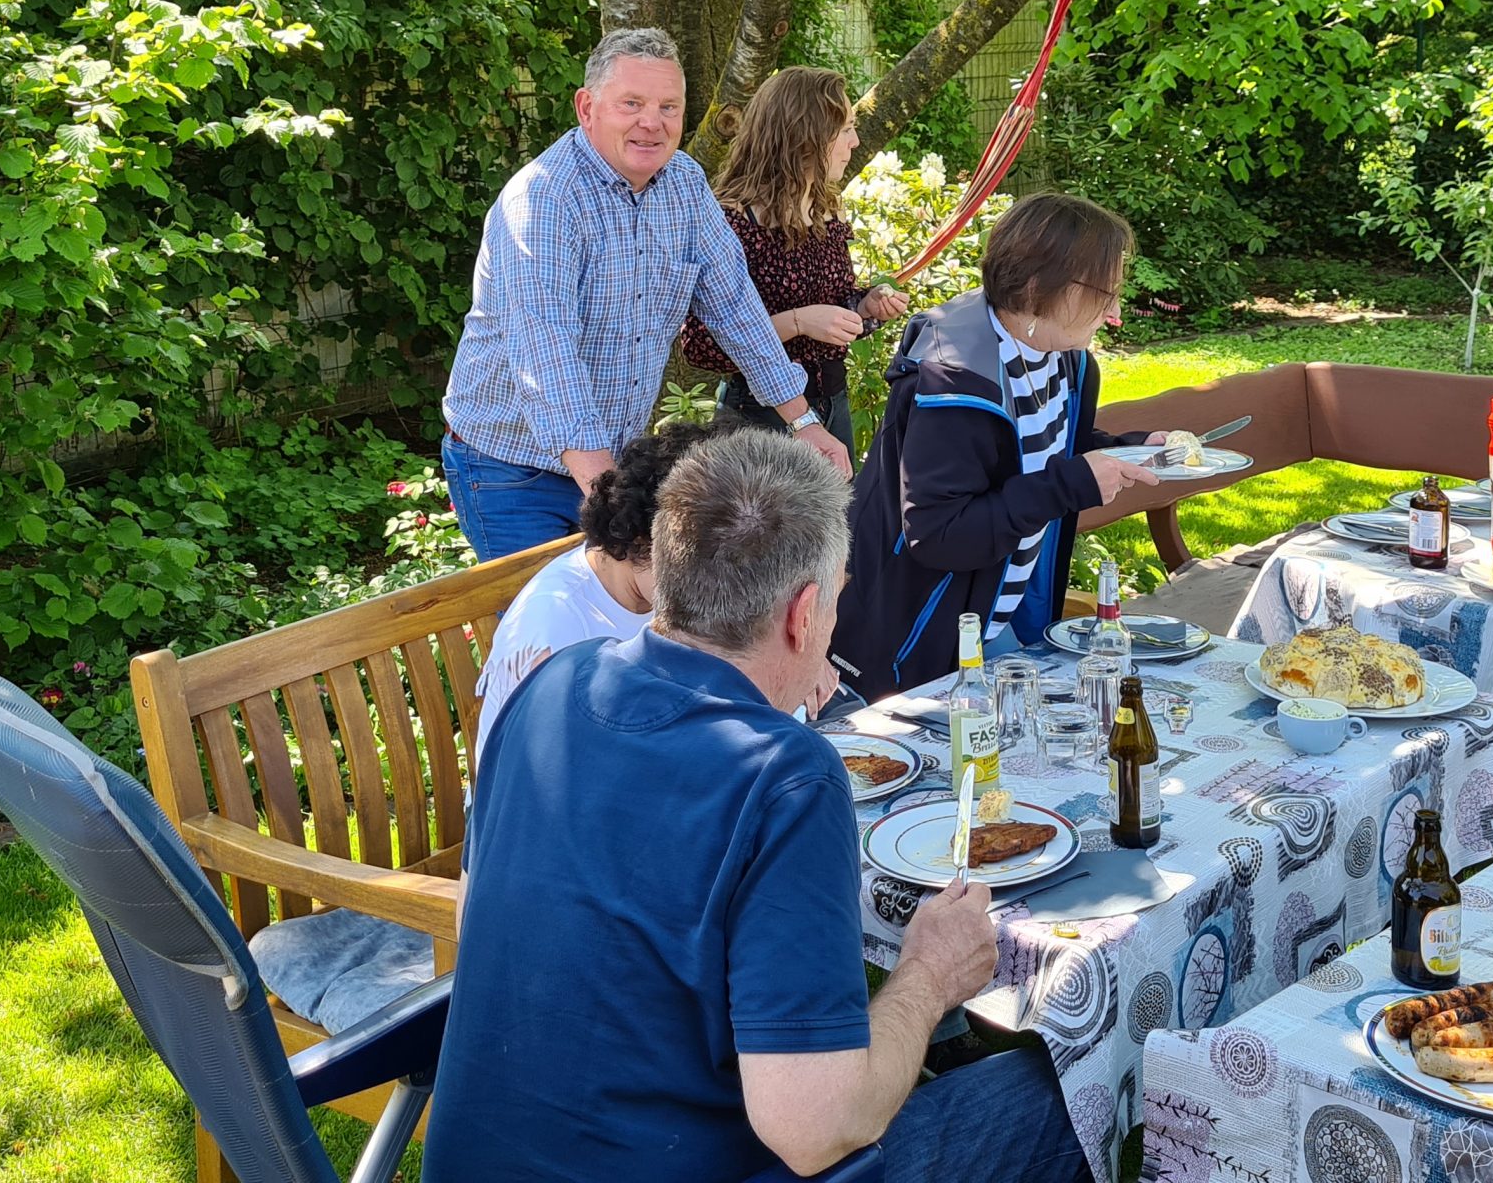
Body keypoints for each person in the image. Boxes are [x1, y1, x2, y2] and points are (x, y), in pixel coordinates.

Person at [424, 429, 1088, 1183]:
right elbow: (816, 1130)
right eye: (840, 593)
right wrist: (931, 976)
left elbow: (478, 921)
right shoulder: (786, 778)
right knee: (1060, 1089)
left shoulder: (553, 682)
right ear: (804, 614)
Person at [440, 27, 851, 560]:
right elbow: (548, 357)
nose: (651, 123)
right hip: (511, 471)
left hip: (611, 463)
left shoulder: (684, 183)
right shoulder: (542, 201)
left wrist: (803, 422)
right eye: (631, 103)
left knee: (627, 624)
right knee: (554, 634)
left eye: (668, 106)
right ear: (587, 107)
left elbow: (736, 309)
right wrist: (612, 498)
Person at [832, 192, 1165, 700]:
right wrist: (1071, 485)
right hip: (919, 637)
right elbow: (937, 535)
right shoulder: (954, 383)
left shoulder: (1063, 358)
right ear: (1039, 287)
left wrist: (1131, 450)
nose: (1115, 312)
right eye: (1105, 293)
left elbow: (1036, 451)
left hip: (995, 616)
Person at [679, 66, 907, 452]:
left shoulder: (827, 208)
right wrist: (798, 323)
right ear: (806, 136)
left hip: (833, 404)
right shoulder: (731, 219)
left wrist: (865, 306)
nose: (854, 141)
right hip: (756, 418)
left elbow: (834, 305)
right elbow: (700, 345)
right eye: (845, 128)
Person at [471, 420, 719, 766]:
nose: (713, 586)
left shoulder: (641, 582)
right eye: (697, 564)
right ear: (640, 540)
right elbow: (552, 779)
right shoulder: (557, 628)